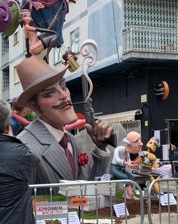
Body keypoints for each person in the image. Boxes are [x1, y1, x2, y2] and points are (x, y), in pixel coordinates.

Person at [15, 55, 113, 189]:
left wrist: (101, 150)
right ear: (34, 106)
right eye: (49, 94)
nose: (64, 95)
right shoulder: (24, 148)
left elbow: (86, 192)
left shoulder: (71, 141)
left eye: (64, 86)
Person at [111, 131, 144, 199]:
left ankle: (126, 194)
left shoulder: (127, 153)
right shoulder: (118, 149)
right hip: (114, 168)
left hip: (121, 169)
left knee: (131, 178)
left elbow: (129, 161)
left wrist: (133, 164)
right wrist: (126, 163)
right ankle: (131, 195)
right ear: (129, 145)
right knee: (126, 178)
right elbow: (117, 159)